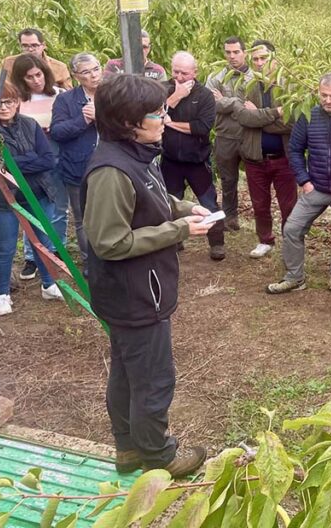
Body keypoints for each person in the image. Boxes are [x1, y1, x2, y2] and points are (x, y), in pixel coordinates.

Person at [81, 74, 212, 479]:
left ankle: (129, 449)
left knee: (126, 371)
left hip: (136, 292)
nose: (164, 115)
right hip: (135, 295)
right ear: (128, 122)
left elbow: (152, 196)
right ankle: (160, 456)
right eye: (156, 112)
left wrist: (183, 209)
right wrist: (178, 231)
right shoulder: (111, 172)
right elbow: (110, 242)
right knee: (154, 379)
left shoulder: (135, 155)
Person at [267, 73, 331, 294]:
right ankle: (294, 277)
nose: (328, 100)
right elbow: (294, 150)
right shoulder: (308, 117)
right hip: (316, 187)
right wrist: (304, 179)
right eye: (324, 95)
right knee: (292, 228)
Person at [0, 80, 65, 316]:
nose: (4, 106)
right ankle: (2, 294)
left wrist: (9, 163)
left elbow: (47, 160)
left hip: (36, 193)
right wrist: (25, 160)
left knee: (42, 242)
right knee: (4, 247)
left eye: (9, 101)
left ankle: (49, 284)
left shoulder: (30, 125)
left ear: (18, 102)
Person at [230, 40, 296, 259]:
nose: (259, 63)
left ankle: (291, 241)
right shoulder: (244, 84)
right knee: (260, 203)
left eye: (263, 58)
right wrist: (274, 112)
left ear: (274, 59)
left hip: (283, 157)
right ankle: (265, 240)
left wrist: (258, 115)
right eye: (255, 59)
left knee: (289, 205)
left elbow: (291, 122)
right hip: (255, 156)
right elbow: (242, 116)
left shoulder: (288, 85)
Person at [161, 51, 225, 260]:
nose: (179, 77)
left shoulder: (204, 95)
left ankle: (217, 243)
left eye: (184, 73)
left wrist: (170, 123)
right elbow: (152, 115)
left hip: (197, 160)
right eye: (175, 72)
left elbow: (202, 127)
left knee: (209, 202)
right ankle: (174, 241)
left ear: (195, 73)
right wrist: (174, 98)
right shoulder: (163, 90)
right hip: (170, 160)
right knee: (170, 203)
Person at [10, 53, 65, 281]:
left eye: (39, 74)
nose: (36, 80)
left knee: (59, 209)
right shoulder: (18, 100)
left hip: (58, 158)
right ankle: (32, 256)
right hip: (31, 166)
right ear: (21, 80)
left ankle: (55, 251)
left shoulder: (59, 96)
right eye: (29, 77)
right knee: (31, 209)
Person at [50, 53, 103, 269]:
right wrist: (83, 119)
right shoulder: (66, 100)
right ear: (75, 76)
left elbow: (129, 124)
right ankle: (91, 265)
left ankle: (114, 260)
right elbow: (57, 131)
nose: (93, 75)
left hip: (113, 167)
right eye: (86, 72)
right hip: (78, 168)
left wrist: (101, 116)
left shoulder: (113, 94)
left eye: (96, 69)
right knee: (83, 220)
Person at [207, 37, 250, 232]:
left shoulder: (254, 78)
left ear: (244, 52)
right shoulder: (216, 77)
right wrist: (237, 103)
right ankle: (230, 216)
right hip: (225, 135)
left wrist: (227, 101)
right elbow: (212, 104)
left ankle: (262, 221)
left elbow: (254, 109)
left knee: (257, 179)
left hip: (250, 135)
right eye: (228, 52)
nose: (232, 56)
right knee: (228, 179)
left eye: (236, 52)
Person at [0, 28, 72, 91]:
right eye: (25, 46)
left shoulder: (59, 67)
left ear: (43, 45)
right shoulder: (9, 63)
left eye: (34, 45)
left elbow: (68, 94)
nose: (30, 49)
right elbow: (3, 89)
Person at [104, 30, 168, 81]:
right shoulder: (113, 66)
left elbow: (163, 95)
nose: (140, 50)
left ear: (149, 48)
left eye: (144, 47)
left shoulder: (158, 71)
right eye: (136, 46)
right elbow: (105, 91)